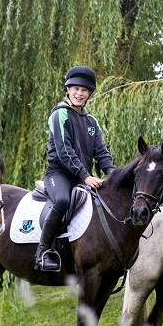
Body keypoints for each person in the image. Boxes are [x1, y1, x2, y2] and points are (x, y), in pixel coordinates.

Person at [34, 65, 116, 271]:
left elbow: (102, 152)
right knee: (62, 200)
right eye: (76, 89)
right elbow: (64, 151)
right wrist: (86, 176)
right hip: (59, 173)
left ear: (89, 94)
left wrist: (113, 174)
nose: (80, 93)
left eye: (84, 90)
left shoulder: (91, 121)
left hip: (81, 177)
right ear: (68, 89)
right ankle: (43, 251)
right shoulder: (60, 115)